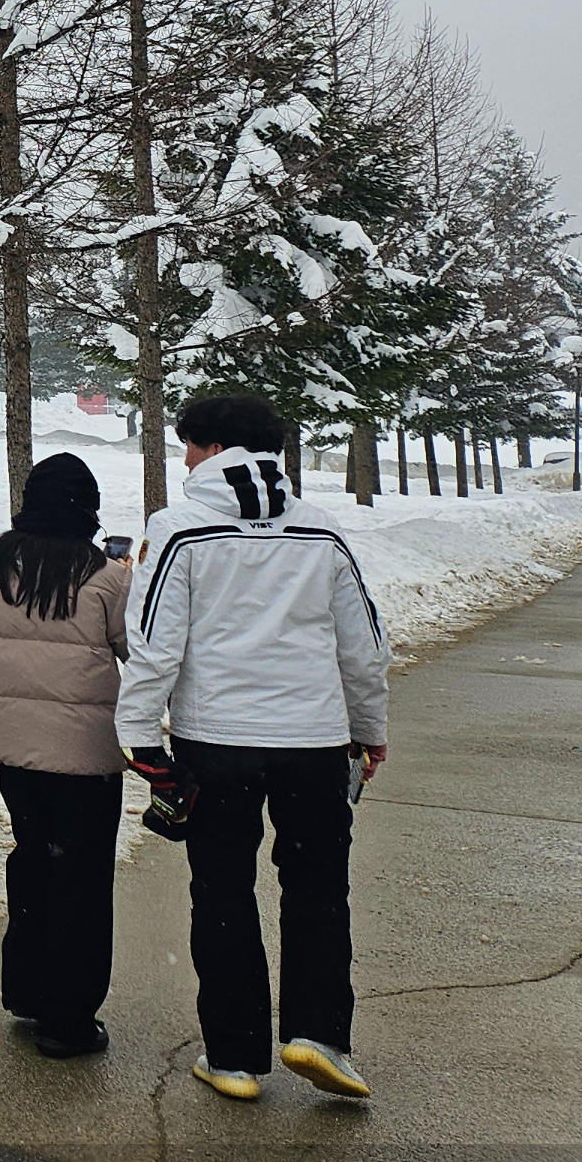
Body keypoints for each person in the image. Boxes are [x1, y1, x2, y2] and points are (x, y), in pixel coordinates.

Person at [118, 389, 388, 1103]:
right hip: (314, 742)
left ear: (209, 448)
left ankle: (234, 1056)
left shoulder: (177, 531)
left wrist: (142, 745)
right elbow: (362, 647)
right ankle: (318, 1034)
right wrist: (369, 729)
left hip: (218, 743)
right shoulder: (320, 531)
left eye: (187, 445)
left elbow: (153, 648)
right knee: (320, 889)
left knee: (224, 893)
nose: (183, 459)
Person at [0, 452, 131, 1059]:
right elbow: (141, 657)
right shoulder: (106, 579)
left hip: (11, 750)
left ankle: (28, 989)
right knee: (82, 879)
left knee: (34, 861)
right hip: (86, 759)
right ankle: (68, 1019)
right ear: (87, 510)